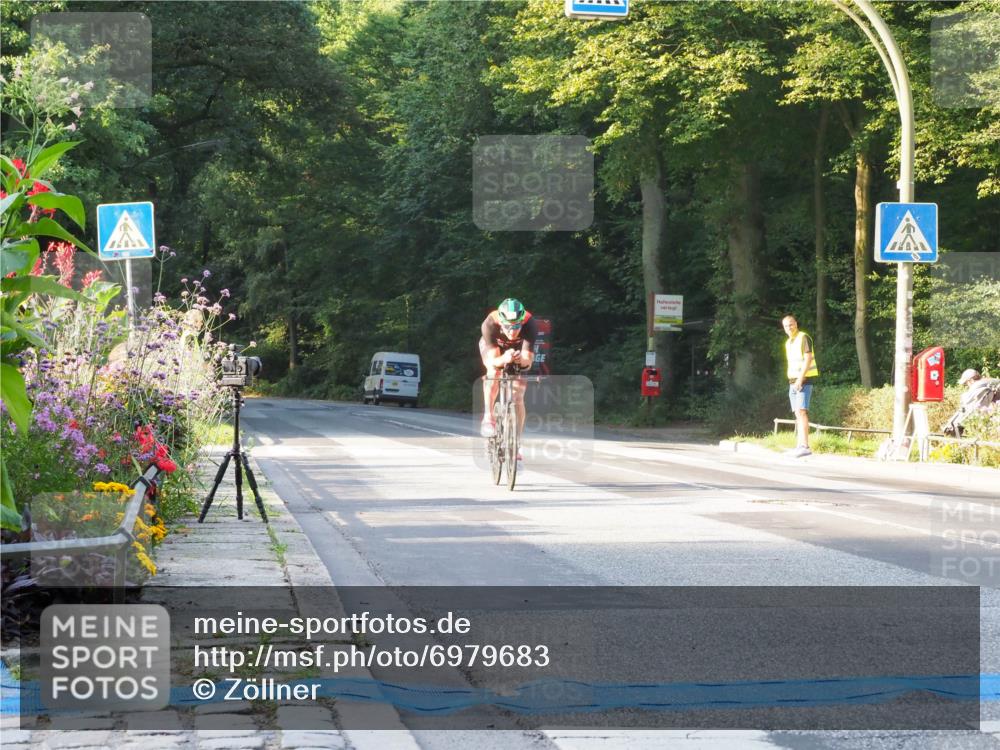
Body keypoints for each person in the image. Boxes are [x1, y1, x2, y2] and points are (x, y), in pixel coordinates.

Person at [479, 299, 537, 461]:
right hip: (495, 347)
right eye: (508, 326)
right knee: (493, 372)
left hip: (518, 349)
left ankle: (515, 443)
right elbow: (493, 361)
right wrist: (504, 358)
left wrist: (519, 361)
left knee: (518, 396)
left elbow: (527, 361)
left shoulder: (530, 323)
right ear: (501, 322)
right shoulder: (490, 323)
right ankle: (489, 417)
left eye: (517, 326)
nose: (513, 331)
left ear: (522, 322)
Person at [782, 315, 819, 458]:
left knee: (802, 412)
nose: (789, 328)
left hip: (803, 380)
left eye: (791, 324)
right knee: (797, 413)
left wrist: (800, 378)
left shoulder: (804, 337)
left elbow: (808, 359)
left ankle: (805, 446)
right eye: (786, 326)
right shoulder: (788, 342)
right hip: (793, 381)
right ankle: (799, 445)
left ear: (796, 324)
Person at [942, 369, 1000, 437]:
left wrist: (955, 424)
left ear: (971, 380)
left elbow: (970, 407)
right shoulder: (989, 382)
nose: (967, 386)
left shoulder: (978, 386)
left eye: (967, 383)